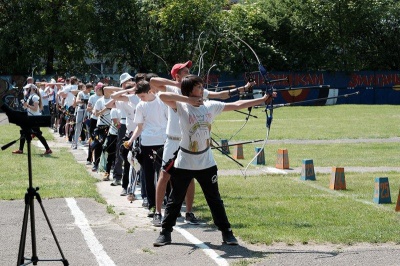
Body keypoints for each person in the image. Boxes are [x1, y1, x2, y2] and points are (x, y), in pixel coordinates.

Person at [153, 74, 274, 247]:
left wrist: (262, 99)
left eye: (202, 87)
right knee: (174, 200)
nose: (202, 90)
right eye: (199, 87)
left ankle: (227, 233)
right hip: (184, 162)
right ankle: (165, 233)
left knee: (215, 200)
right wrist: (187, 100)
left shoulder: (210, 106)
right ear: (188, 91)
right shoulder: (180, 106)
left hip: (206, 163)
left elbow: (237, 104)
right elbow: (162, 96)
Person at [149, 61, 253, 226]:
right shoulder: (171, 89)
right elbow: (153, 82)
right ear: (177, 76)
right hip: (173, 139)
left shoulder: (198, 91)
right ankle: (157, 212)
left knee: (190, 178)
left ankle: (189, 212)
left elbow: (221, 96)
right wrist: (183, 93)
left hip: (190, 143)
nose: (189, 72)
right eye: (185, 71)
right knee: (165, 175)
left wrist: (243, 89)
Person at [126, 80, 168, 217]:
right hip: (147, 142)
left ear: (150, 91)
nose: (141, 99)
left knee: (164, 174)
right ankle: (151, 205)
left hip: (163, 141)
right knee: (148, 175)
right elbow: (139, 127)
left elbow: (168, 120)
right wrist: (131, 140)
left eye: (142, 96)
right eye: (139, 97)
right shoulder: (140, 106)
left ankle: (167, 202)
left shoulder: (161, 102)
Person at [12, 84, 52, 155]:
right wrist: (24, 104)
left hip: (34, 119)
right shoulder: (30, 96)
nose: (26, 90)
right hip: (30, 118)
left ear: (32, 89)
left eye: (27, 89)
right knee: (24, 133)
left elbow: (35, 108)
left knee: (38, 135)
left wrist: (27, 105)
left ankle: (48, 149)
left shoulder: (35, 97)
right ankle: (20, 149)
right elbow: (27, 108)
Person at [72, 82, 91, 149]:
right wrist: (83, 101)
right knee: (78, 126)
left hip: (86, 111)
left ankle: (89, 143)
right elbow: (77, 101)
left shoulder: (88, 94)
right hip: (80, 110)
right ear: (86, 88)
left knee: (88, 127)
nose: (89, 91)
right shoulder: (80, 93)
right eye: (89, 89)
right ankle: (75, 143)